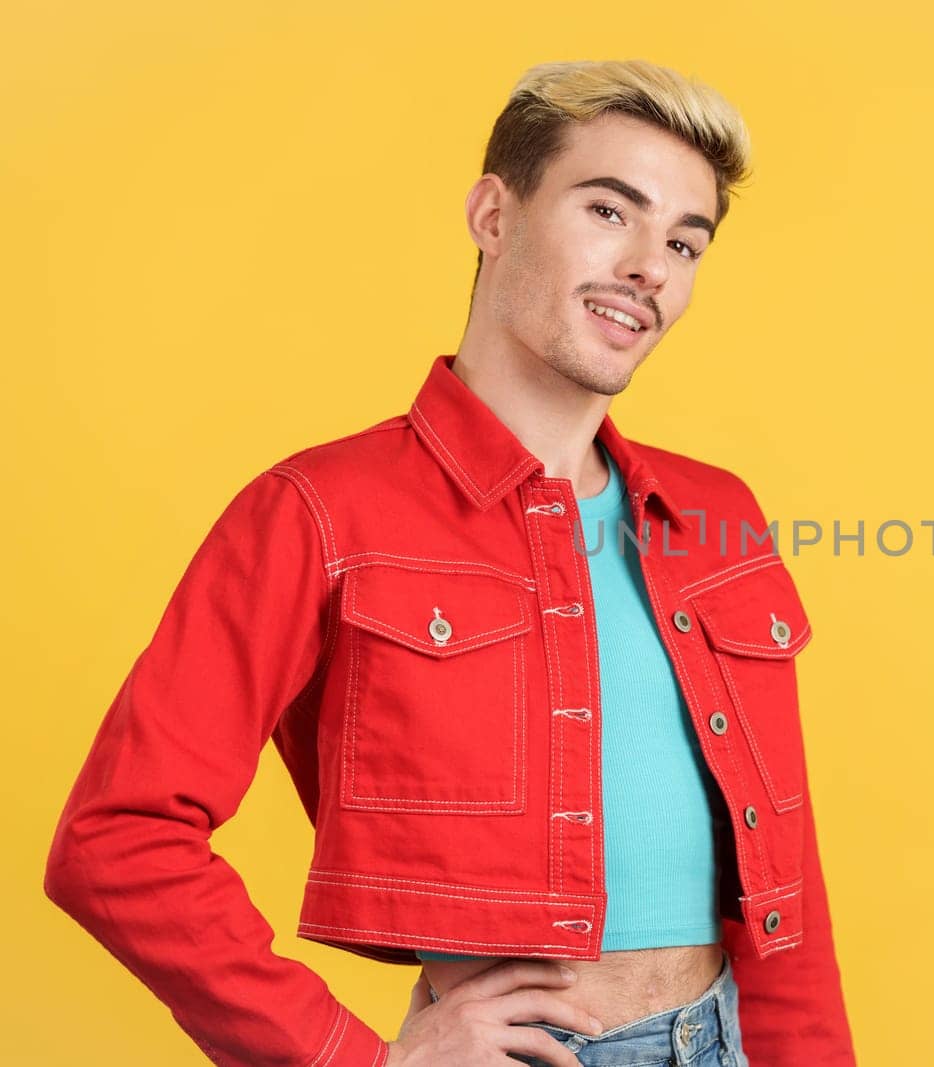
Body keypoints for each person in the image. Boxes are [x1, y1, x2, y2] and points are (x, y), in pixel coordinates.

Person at [43, 59, 856, 1067]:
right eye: (611, 211)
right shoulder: (318, 509)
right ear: (492, 213)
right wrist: (355, 1057)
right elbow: (116, 838)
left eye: (684, 241)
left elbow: (784, 874)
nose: (652, 264)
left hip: (729, 1036)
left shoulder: (714, 513)